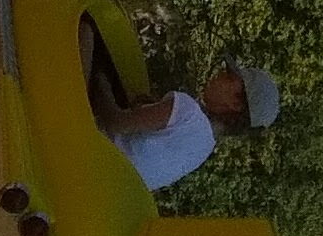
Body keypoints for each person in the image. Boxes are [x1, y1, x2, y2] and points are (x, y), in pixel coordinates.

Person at [94, 53, 281, 193]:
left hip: (92, 156)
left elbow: (114, 122)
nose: (220, 74)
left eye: (229, 77)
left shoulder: (187, 109)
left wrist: (101, 80)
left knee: (86, 29)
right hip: (104, 189)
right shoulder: (204, 149)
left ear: (236, 103)